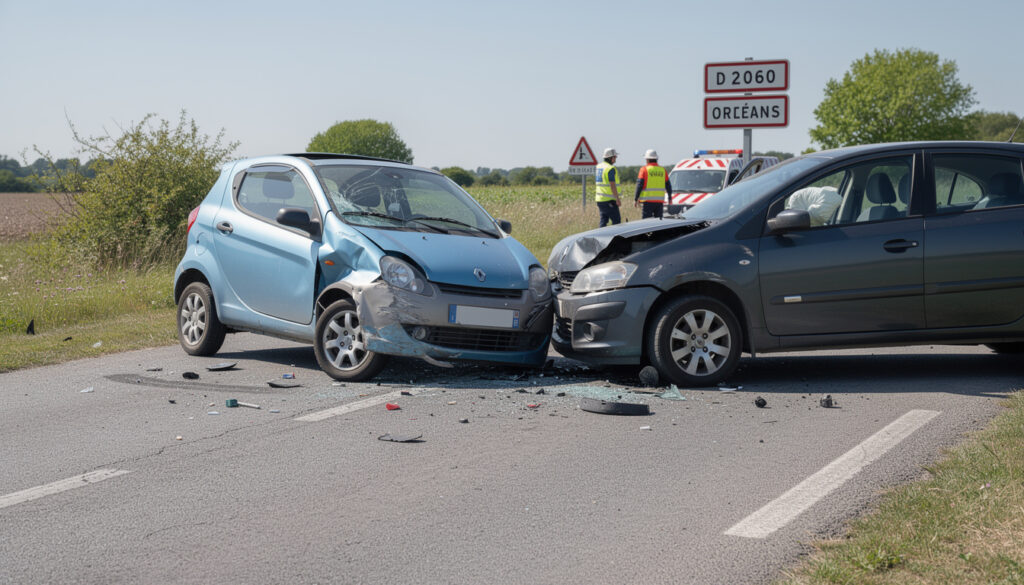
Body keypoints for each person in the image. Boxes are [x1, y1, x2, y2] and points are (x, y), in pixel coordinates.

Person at [634, 149, 671, 219]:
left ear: (647, 159)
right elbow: (668, 185)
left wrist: (636, 199)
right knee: (658, 223)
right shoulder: (663, 170)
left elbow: (639, 185)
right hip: (659, 202)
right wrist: (670, 197)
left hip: (647, 202)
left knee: (646, 223)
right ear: (656, 159)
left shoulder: (644, 170)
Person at [594, 148, 622, 226]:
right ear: (611, 158)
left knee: (603, 221)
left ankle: (601, 237)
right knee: (617, 222)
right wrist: (617, 199)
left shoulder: (599, 166)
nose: (615, 159)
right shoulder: (610, 168)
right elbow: (612, 185)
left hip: (600, 199)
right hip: (609, 200)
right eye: (615, 157)